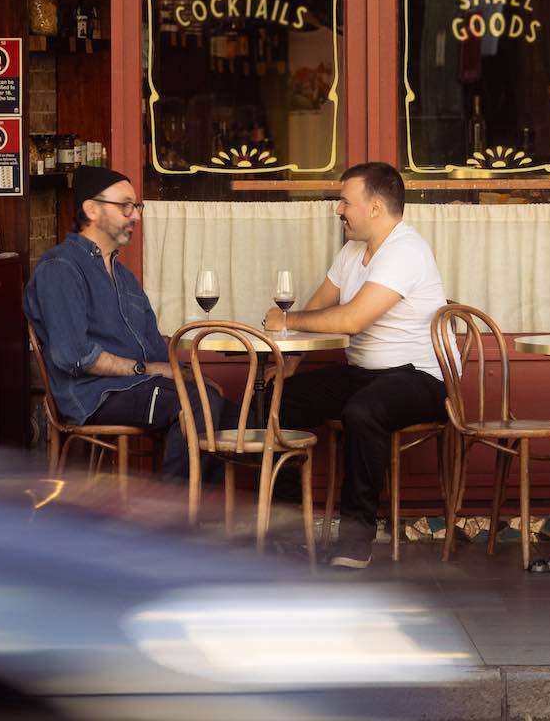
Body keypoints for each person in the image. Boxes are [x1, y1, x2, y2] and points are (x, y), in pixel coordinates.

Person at [263, 162, 449, 569]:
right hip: (363, 374)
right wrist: (291, 363)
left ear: (376, 207)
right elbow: (317, 307)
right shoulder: (351, 252)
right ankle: (288, 525)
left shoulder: (406, 250)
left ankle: (356, 538)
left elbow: (350, 320)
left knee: (363, 411)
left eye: (345, 201)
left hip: (418, 378)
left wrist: (287, 321)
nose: (338, 209)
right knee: (279, 400)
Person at [24, 166, 239, 481]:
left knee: (237, 414)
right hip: (95, 395)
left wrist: (186, 370)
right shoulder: (60, 268)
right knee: (198, 404)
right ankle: (173, 520)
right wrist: (150, 370)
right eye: (125, 206)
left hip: (135, 388)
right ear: (92, 209)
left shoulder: (124, 277)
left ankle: (209, 513)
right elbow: (73, 356)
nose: (136, 215)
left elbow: (154, 347)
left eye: (137, 207)